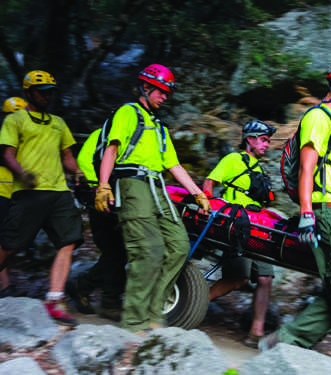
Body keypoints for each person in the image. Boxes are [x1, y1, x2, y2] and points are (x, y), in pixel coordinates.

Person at [259, 60, 331, 374]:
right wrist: (308, 213)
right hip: (326, 213)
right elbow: (308, 166)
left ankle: (283, 341)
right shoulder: (318, 117)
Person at [94, 63, 211, 335]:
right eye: (161, 91)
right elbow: (112, 149)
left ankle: (154, 309)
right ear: (145, 87)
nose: (165, 97)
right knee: (147, 250)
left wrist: (197, 193)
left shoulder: (159, 125)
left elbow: (174, 165)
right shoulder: (128, 112)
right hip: (132, 184)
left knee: (179, 245)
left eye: (167, 93)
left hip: (158, 188)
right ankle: (134, 321)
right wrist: (103, 186)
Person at [0, 71, 84, 326]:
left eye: (50, 90)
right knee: (11, 244)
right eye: (41, 90)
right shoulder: (15, 120)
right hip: (29, 192)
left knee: (69, 240)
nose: (47, 94)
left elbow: (67, 156)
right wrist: (21, 174)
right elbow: (7, 154)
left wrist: (78, 171)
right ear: (28, 93)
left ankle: (55, 299)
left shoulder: (58, 122)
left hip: (58, 191)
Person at [203, 120, 276, 349]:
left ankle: (256, 332)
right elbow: (209, 182)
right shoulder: (233, 160)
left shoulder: (259, 169)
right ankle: (196, 302)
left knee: (265, 278)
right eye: (263, 140)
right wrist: (209, 209)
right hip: (237, 226)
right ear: (250, 140)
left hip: (257, 228)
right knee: (239, 279)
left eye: (267, 141)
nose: (267, 144)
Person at [66, 128, 127, 321]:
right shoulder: (104, 134)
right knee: (114, 251)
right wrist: (99, 187)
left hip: (119, 198)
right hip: (100, 198)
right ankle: (109, 302)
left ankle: (83, 286)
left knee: (119, 252)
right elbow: (84, 160)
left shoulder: (133, 134)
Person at [0, 97, 28, 298]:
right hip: (2, 192)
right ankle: (5, 285)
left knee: (11, 242)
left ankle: (6, 284)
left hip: (18, 194)